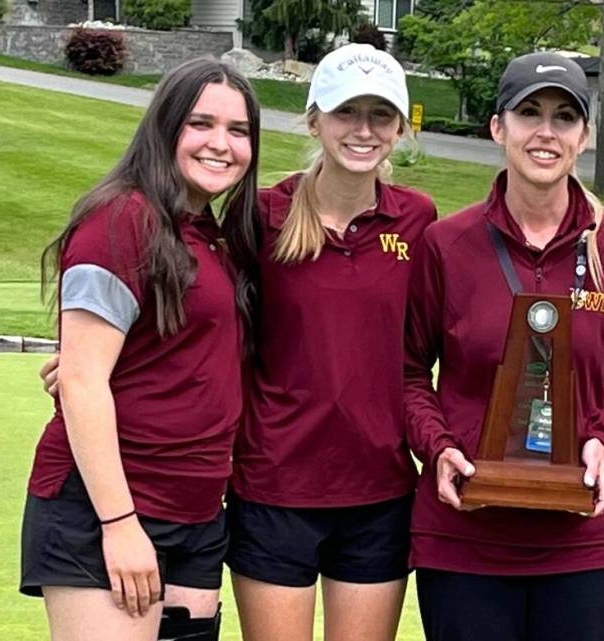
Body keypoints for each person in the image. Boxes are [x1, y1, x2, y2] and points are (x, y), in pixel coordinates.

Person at [402, 51, 604, 641]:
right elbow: (410, 372)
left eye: (564, 117)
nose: (546, 132)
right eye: (529, 113)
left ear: (584, 136)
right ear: (498, 127)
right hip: (465, 534)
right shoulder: (446, 244)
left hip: (586, 536)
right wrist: (438, 447)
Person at [21, 57, 260, 641]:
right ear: (166, 126)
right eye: (200, 124)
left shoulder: (213, 235)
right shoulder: (121, 219)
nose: (221, 144)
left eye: (238, 130)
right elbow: (82, 380)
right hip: (107, 509)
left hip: (197, 513)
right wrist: (120, 524)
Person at [225, 43, 436, 641]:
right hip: (274, 485)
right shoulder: (261, 215)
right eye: (346, 112)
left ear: (400, 128)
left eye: (380, 115)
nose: (363, 130)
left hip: (379, 489)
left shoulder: (418, 220)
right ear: (314, 119)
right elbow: (207, 319)